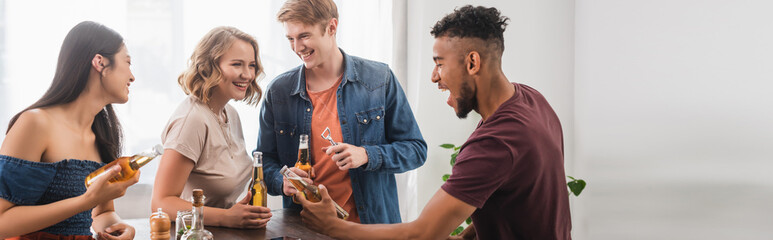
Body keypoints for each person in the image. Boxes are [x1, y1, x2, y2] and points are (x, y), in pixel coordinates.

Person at [297, 5, 573, 239]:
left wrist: (333, 226)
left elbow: (422, 233)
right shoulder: (531, 99)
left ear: (472, 63)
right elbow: (510, 197)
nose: (434, 76)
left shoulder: (496, 143)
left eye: (440, 63)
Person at [257, 0, 427, 224]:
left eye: (304, 36)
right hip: (306, 228)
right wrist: (282, 182)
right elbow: (263, 160)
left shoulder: (379, 79)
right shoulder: (279, 92)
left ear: (331, 27)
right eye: (290, 38)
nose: (297, 48)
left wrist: (366, 155)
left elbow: (415, 150)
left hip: (370, 229)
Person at [0, 21, 138, 240]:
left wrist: (119, 227)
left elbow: (102, 212)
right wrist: (85, 201)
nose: (132, 76)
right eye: (128, 62)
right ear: (100, 63)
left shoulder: (103, 133)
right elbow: (2, 223)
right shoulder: (35, 124)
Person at [151, 26, 272, 229]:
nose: (247, 74)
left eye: (251, 65)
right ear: (210, 66)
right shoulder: (192, 120)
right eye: (236, 64)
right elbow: (161, 204)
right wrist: (227, 217)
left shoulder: (230, 114)